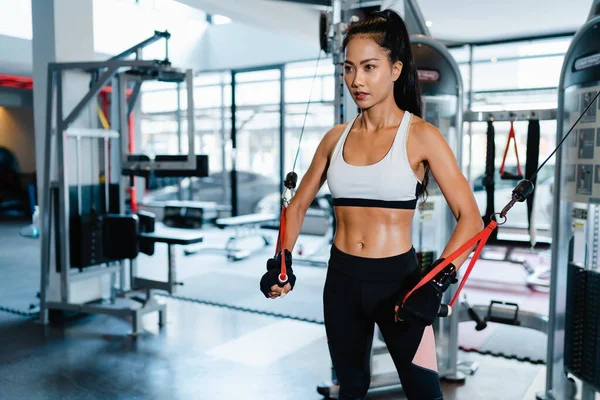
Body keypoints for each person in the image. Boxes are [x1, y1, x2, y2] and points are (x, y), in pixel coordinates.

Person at [260, 9, 482, 400]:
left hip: (403, 283)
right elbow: (295, 208)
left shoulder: (422, 136)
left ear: (395, 69)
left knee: (426, 391)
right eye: (349, 68)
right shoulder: (334, 139)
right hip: (341, 282)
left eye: (369, 67)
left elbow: (471, 218)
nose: (356, 80)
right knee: (351, 387)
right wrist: (282, 262)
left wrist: (434, 284)